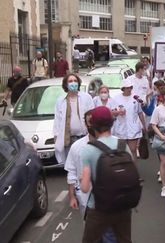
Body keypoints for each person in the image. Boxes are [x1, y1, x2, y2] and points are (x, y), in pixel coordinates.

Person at [80, 106, 135, 243]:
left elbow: (85, 188)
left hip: (98, 207)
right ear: (112, 123)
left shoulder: (88, 149)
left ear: (93, 126)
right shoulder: (123, 145)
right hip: (123, 206)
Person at [64, 110, 117, 243]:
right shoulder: (78, 147)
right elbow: (71, 172)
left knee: (110, 236)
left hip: (113, 202)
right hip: (88, 203)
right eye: (89, 123)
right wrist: (72, 196)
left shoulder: (117, 144)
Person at [53, 74, 94, 164]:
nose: (73, 83)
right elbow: (57, 120)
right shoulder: (61, 101)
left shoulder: (86, 98)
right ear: (66, 85)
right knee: (71, 166)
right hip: (69, 139)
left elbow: (92, 116)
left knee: (85, 164)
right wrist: (56, 136)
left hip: (84, 137)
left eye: (75, 81)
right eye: (70, 81)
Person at [112, 79, 146, 162]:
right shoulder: (116, 98)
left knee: (133, 150)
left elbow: (140, 113)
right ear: (123, 88)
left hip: (133, 128)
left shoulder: (136, 98)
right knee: (121, 151)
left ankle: (133, 170)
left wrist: (144, 126)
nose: (129, 89)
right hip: (120, 127)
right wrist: (118, 112)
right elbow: (113, 112)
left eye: (131, 87)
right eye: (127, 88)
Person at [150, 87, 165, 197]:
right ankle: (164, 186)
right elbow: (153, 124)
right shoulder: (158, 109)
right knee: (164, 162)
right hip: (162, 136)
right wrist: (161, 135)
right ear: (164, 96)